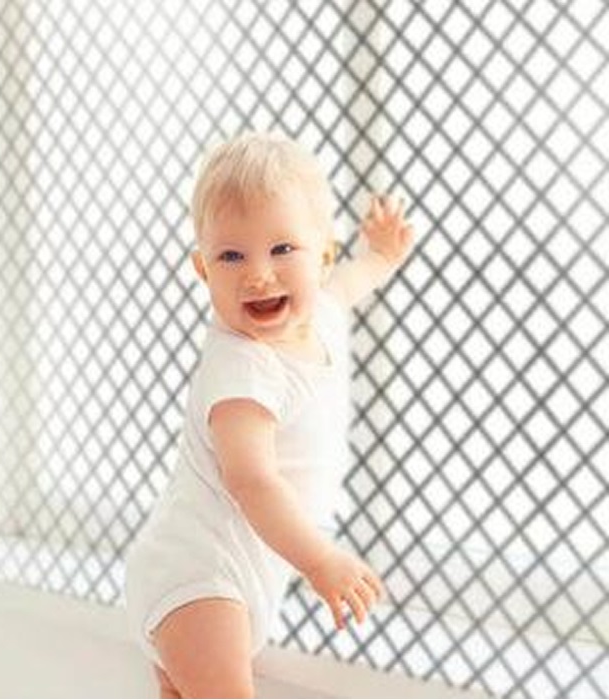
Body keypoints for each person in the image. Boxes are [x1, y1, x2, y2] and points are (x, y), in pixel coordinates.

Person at [125, 132, 415, 698]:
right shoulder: (241, 368)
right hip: (198, 576)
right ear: (203, 269)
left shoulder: (321, 312)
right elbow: (251, 479)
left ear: (323, 255)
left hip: (234, 581)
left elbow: (350, 284)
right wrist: (320, 560)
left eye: (282, 249)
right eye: (231, 256)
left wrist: (381, 255)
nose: (258, 273)